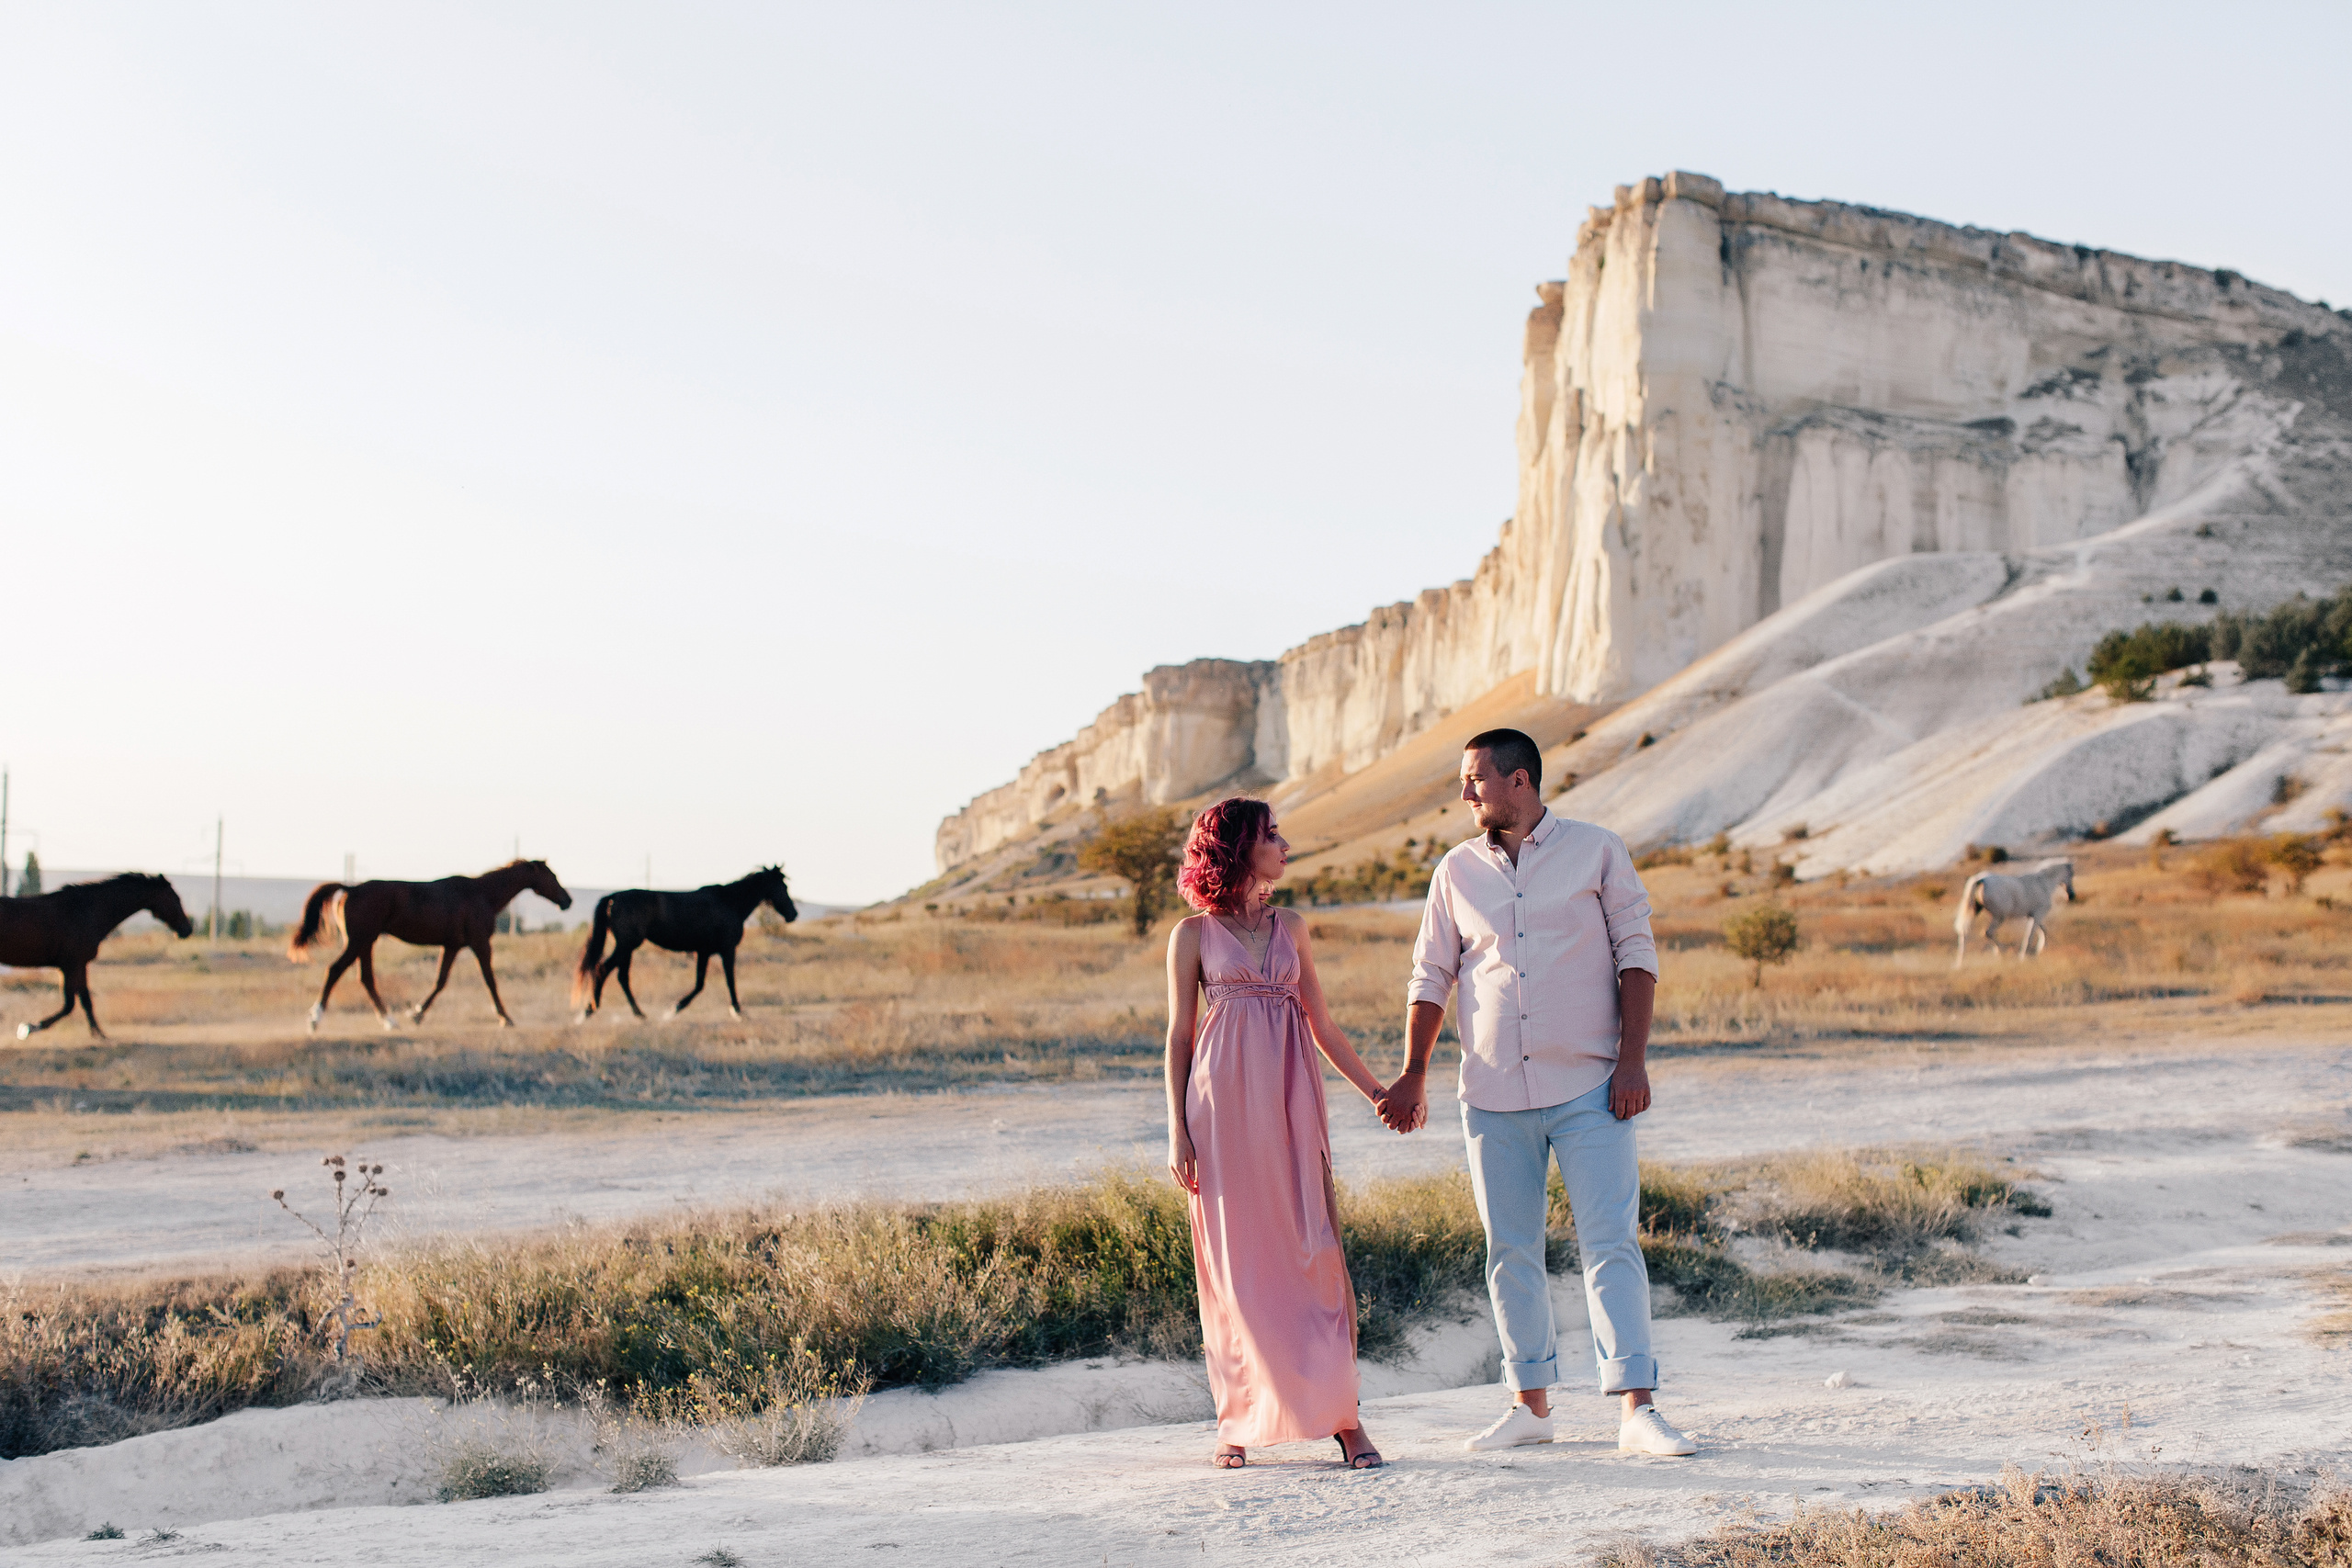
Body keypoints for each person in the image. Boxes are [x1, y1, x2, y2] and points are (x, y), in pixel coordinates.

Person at [1378, 728, 1697, 1457]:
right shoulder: (1454, 872)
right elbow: (1431, 976)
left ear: (1519, 780)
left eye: (1475, 780)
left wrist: (1632, 1062)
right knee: (1509, 1249)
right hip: (1490, 1091)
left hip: (1591, 1084)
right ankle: (1531, 1405)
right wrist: (1413, 1070)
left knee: (1610, 1242)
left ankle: (1637, 1411)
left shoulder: (1598, 850)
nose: (1465, 793)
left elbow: (1637, 959)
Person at [1165, 796, 1395, 1471]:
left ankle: (1343, 1416)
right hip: (1221, 1112)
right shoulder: (1191, 935)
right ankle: (1236, 1419)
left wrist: (1378, 1091)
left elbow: (1321, 1025)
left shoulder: (1293, 926)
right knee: (1235, 1265)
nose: (1284, 844)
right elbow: (1180, 1035)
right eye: (1271, 835)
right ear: (1238, 847)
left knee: (1313, 1250)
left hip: (1293, 1107)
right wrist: (1176, 1129)